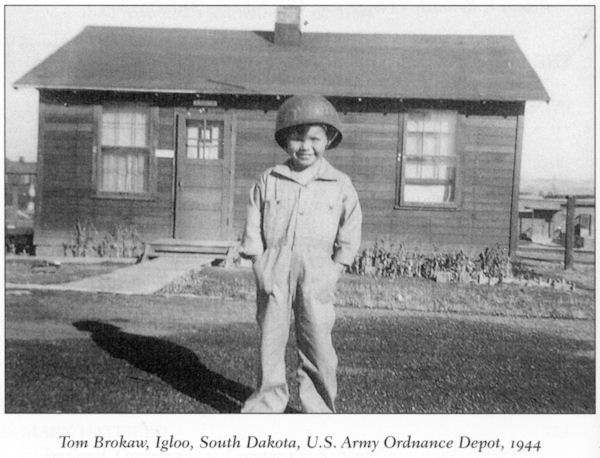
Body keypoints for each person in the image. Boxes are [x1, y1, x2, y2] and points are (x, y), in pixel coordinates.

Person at [240, 94, 362, 413]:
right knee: (270, 341)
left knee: (318, 343)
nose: (305, 146)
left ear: (329, 139)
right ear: (284, 140)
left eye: (314, 138)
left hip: (318, 270)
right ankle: (266, 404)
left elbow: (350, 230)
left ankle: (319, 410)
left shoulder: (340, 184)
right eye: (296, 137)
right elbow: (253, 226)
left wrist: (336, 268)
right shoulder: (269, 180)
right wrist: (259, 264)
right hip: (275, 270)